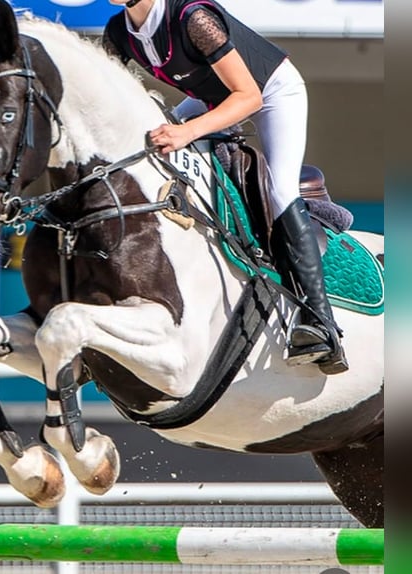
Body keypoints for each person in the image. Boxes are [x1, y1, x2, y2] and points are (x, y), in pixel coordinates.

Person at [103, 0, 346, 373]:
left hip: (271, 93)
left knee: (281, 189)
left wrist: (187, 131)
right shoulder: (119, 32)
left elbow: (249, 97)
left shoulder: (193, 17)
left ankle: (320, 323)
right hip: (210, 99)